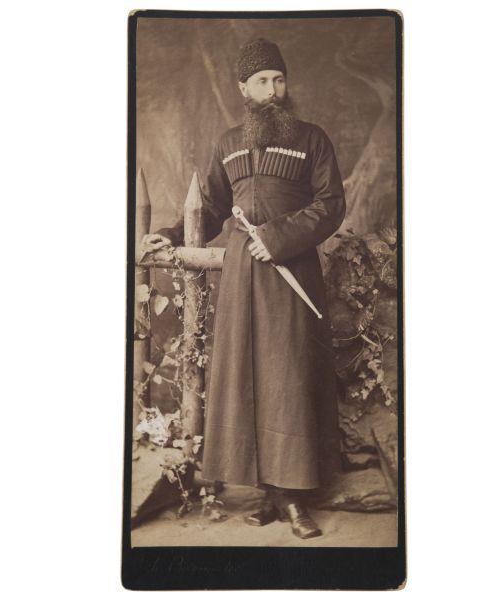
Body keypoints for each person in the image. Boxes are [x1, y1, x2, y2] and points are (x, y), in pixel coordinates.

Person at [141, 38, 346, 539]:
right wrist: (168, 234)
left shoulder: (312, 139)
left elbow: (330, 204)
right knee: (246, 379)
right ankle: (264, 493)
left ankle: (294, 497)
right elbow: (211, 208)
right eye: (262, 81)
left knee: (287, 379)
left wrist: (277, 238)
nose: (273, 89)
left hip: (290, 275)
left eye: (279, 79)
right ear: (243, 89)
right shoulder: (229, 143)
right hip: (240, 280)